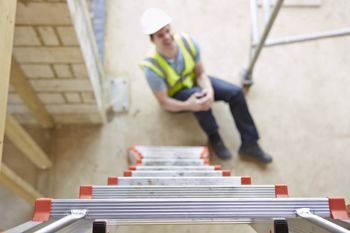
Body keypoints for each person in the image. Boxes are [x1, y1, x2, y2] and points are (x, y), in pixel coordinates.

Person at [139, 8, 272, 163]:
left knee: (235, 93)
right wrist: (188, 105)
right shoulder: (152, 68)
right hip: (177, 96)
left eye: (168, 31)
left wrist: (209, 90)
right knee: (199, 99)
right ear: (152, 40)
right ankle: (214, 136)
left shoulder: (188, 42)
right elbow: (164, 102)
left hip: (195, 82)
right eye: (160, 35)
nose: (167, 37)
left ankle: (250, 143)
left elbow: (200, 74)